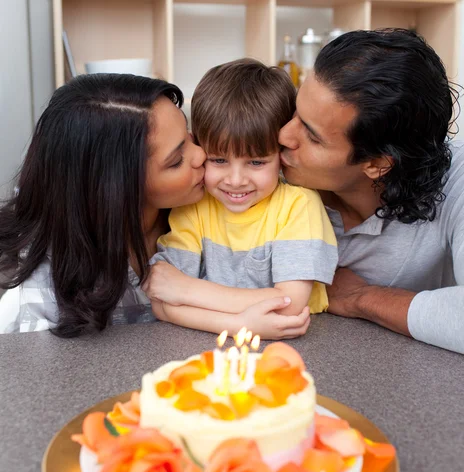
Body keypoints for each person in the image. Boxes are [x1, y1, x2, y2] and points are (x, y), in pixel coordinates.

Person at [0, 73, 309, 338]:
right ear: (118, 189)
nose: (202, 155)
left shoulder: (206, 209)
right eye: (176, 161)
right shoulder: (36, 299)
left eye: (190, 137)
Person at [278, 28, 464, 354]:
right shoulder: (259, 171)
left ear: (377, 164)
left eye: (312, 135)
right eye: (296, 111)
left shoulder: (457, 178)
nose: (282, 135)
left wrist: (360, 297)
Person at [144, 59, 338, 337]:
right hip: (208, 352)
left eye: (256, 163)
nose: (235, 180)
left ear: (281, 156)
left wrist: (187, 290)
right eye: (219, 160)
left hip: (292, 354)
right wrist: (239, 325)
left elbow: (290, 306)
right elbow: (161, 301)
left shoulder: (299, 206)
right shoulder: (193, 205)